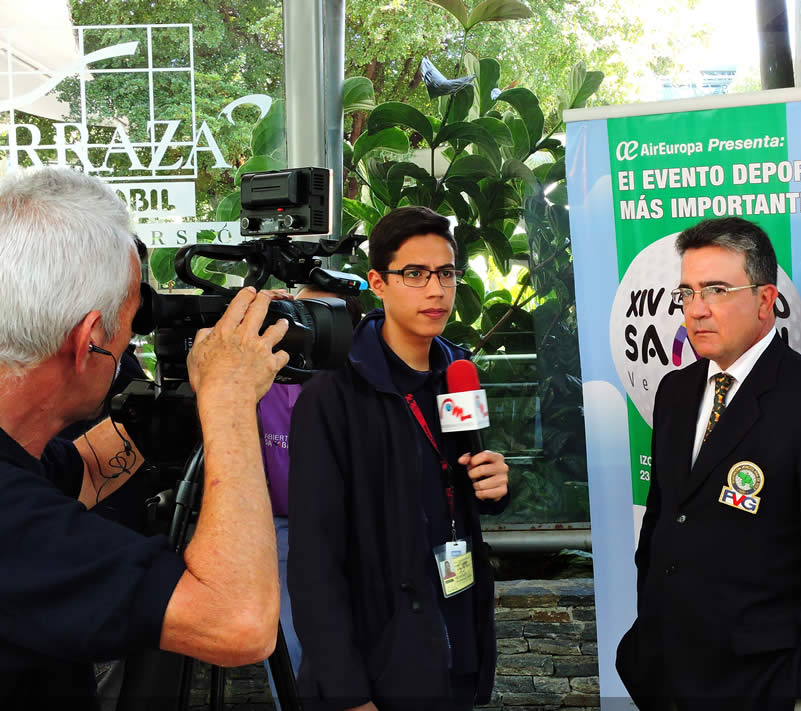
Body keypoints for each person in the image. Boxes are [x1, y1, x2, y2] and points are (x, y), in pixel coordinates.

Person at [0, 166, 286, 708]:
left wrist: (181, 407)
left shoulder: (18, 460)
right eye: (134, 323)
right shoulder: (14, 522)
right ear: (89, 341)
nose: (133, 339)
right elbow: (240, 622)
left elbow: (79, 468)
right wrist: (228, 401)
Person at [616, 217, 801, 711]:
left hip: (762, 683)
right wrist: (645, 642)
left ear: (765, 300)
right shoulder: (675, 392)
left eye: (716, 290)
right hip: (666, 674)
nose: (696, 309)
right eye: (687, 293)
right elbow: (662, 525)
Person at [288, 206, 509, 711]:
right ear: (378, 283)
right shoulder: (333, 393)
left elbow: (463, 484)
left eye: (446, 273)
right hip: (379, 659)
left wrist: (494, 485)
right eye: (415, 274)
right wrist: (347, 693)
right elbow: (314, 560)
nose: (436, 290)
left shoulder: (457, 371)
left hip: (454, 636)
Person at [257, 286, 363, 701]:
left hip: (357, 530)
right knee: (292, 655)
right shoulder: (265, 372)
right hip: (283, 532)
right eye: (295, 312)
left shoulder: (366, 379)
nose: (300, 325)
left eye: (312, 315)